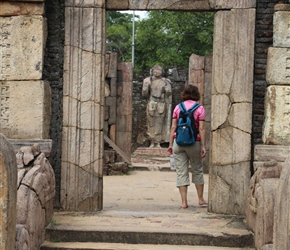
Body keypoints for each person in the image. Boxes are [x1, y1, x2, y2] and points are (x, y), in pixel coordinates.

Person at [167, 85, 207, 208]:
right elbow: (201, 128)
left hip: (178, 143)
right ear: (197, 95)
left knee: (181, 172)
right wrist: (203, 146)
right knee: (197, 170)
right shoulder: (200, 108)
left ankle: (184, 202)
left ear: (184, 94)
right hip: (194, 142)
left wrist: (170, 144)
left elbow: (173, 127)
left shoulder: (178, 108)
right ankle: (200, 199)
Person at [142, 65, 172, 148]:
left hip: (161, 103)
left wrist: (167, 89)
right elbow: (144, 95)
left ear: (162, 71)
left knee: (159, 123)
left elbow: (169, 93)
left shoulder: (165, 81)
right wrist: (146, 87)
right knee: (150, 123)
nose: (157, 72)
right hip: (151, 102)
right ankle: (152, 141)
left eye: (159, 70)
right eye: (156, 69)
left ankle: (158, 142)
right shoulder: (148, 80)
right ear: (152, 70)